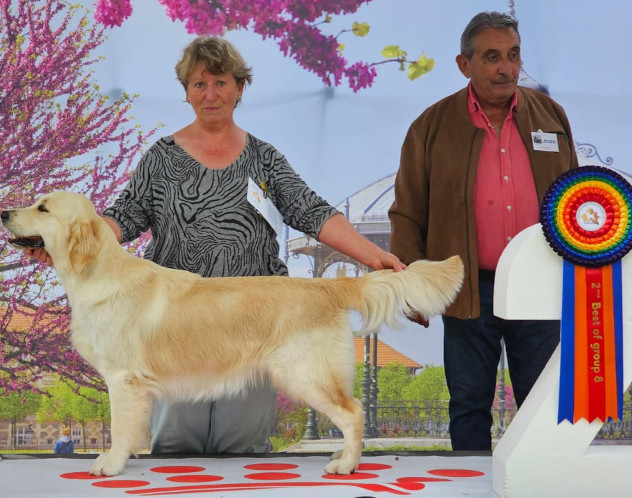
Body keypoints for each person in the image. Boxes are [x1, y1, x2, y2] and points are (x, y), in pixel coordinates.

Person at [29, 36, 405, 455]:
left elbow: (310, 211)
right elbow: (126, 215)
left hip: (254, 322)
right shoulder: (161, 158)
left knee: (242, 445)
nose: (210, 95)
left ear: (240, 88)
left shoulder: (264, 158)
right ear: (186, 92)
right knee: (175, 444)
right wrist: (68, 241)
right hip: (173, 325)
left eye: (221, 83)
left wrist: (373, 256)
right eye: (198, 84)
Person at [388, 11, 579, 451]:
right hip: (468, 289)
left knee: (542, 405)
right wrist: (411, 286)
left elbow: (575, 196)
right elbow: (407, 213)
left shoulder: (551, 116)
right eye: (492, 57)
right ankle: (468, 487)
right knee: (469, 403)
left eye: (513, 55)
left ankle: (542, 483)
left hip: (541, 286)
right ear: (464, 64)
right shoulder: (431, 126)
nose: (506, 68)